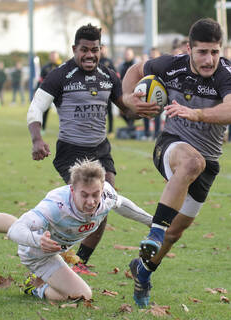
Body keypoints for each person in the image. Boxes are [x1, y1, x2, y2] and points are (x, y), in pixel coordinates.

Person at [122, 18, 231, 307]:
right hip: (172, 146)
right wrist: (129, 99)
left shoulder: (227, 74)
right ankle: (155, 230)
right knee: (191, 162)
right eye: (202, 52)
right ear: (189, 49)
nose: (209, 59)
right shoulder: (170, 65)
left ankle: (143, 271)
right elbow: (135, 70)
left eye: (215, 52)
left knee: (175, 232)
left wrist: (197, 113)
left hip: (210, 160)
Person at [27, 24, 157, 275]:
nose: (89, 55)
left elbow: (126, 111)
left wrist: (142, 110)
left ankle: (79, 262)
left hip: (100, 149)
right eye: (84, 50)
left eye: (94, 50)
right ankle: (51, 250)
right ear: (74, 49)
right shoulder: (60, 75)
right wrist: (36, 139)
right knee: (85, 204)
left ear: (101, 49)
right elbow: (36, 108)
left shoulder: (108, 76)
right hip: (71, 151)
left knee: (103, 203)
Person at [0, 159, 152, 301]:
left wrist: (152, 222)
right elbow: (17, 229)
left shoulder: (106, 195)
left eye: (95, 194)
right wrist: (38, 241)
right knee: (83, 295)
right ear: (72, 190)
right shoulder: (55, 206)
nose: (91, 201)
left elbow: (121, 204)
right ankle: (35, 287)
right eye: (84, 195)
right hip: (38, 253)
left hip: (58, 247)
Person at [36, 51, 62, 132]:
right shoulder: (45, 67)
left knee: (63, 111)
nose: (53, 57)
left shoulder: (62, 66)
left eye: (55, 56)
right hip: (48, 93)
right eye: (52, 56)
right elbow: (40, 80)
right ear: (50, 57)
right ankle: (43, 128)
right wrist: (36, 90)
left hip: (60, 93)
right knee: (45, 111)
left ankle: (64, 128)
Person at [142, 47, 162, 141]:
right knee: (145, 112)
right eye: (152, 53)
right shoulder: (147, 65)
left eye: (155, 53)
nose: (153, 55)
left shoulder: (162, 66)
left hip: (157, 93)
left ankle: (156, 134)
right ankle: (146, 133)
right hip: (146, 93)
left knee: (157, 113)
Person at [100, 44, 117, 134]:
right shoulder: (96, 60)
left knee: (109, 110)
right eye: (101, 49)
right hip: (97, 89)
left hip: (108, 89)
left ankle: (110, 130)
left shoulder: (109, 61)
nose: (102, 51)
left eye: (103, 49)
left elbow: (114, 74)